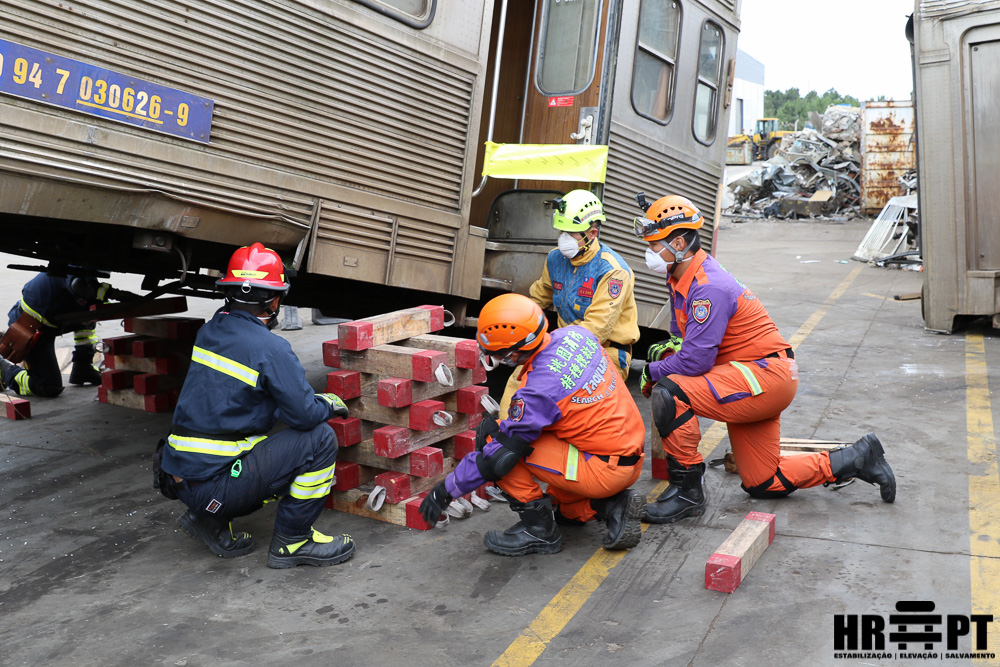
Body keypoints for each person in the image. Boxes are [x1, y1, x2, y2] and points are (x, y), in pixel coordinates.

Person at [631, 194, 896, 524]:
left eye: (654, 244)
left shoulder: (707, 286)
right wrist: (670, 350)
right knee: (763, 482)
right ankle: (857, 458)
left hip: (764, 378)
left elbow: (696, 363)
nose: (649, 252)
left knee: (670, 391)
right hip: (754, 377)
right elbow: (688, 342)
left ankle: (687, 492)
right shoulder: (680, 277)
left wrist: (652, 369)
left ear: (680, 242)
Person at [156, 242, 355, 568]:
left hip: (179, 479)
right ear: (274, 300)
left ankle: (207, 520)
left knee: (268, 430)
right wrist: (327, 404)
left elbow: (241, 399)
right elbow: (304, 416)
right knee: (319, 439)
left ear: (230, 293)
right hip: (214, 488)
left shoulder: (209, 331)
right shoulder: (272, 349)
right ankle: (293, 541)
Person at [419, 293, 646, 556]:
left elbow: (496, 458)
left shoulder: (539, 392)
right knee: (562, 509)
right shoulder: (575, 335)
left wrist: (445, 491)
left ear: (514, 352)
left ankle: (539, 532)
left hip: (600, 468)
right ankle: (611, 506)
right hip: (628, 452)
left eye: (498, 354)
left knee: (496, 445)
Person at [497, 189, 639, 417]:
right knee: (519, 378)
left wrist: (550, 346)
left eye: (571, 233)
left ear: (592, 233)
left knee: (569, 402)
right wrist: (511, 325)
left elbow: (596, 330)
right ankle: (504, 435)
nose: (564, 237)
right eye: (562, 230)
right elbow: (538, 298)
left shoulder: (612, 271)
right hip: (562, 347)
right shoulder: (555, 259)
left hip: (606, 352)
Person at [0, 271, 119, 397]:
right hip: (31, 328)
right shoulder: (73, 268)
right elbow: (79, 285)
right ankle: (5, 370)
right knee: (48, 386)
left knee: (90, 311)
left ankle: (83, 366)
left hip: (52, 321)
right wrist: (115, 294)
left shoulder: (87, 269)